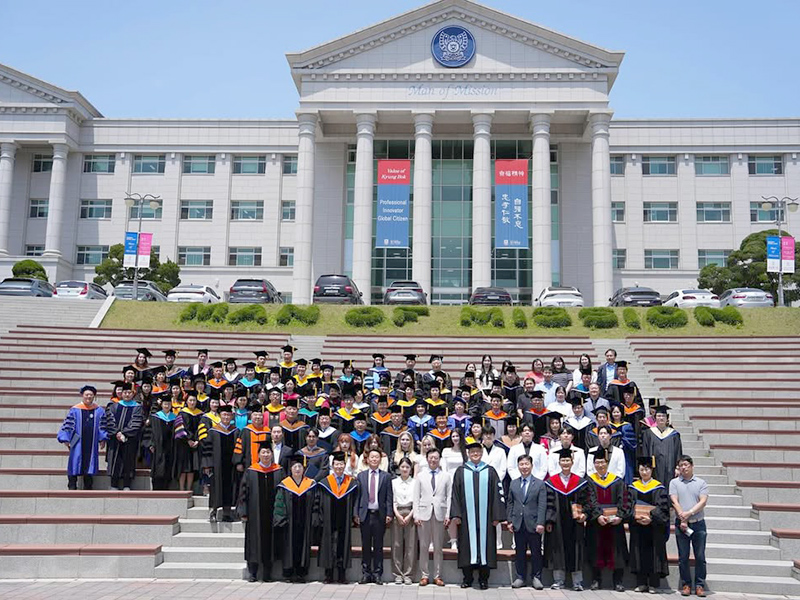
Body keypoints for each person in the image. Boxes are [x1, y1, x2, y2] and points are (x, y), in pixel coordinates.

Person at [449, 438, 505, 590]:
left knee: (485, 547)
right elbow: (455, 494)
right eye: (472, 452)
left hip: (487, 518)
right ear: (468, 454)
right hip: (466, 518)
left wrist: (496, 516)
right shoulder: (461, 471)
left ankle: (483, 579)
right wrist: (456, 515)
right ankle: (467, 578)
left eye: (478, 452)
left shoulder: (490, 471)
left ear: (481, 453)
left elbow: (497, 494)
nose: (475, 454)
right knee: (466, 546)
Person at [544, 448, 592, 591]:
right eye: (563, 460)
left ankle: (577, 582)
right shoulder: (551, 482)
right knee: (557, 549)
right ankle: (558, 581)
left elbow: (587, 502)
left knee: (576, 549)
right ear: (559, 463)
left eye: (567, 460)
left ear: (572, 462)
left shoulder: (580, 482)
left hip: (575, 523)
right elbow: (549, 503)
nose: (565, 463)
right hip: (557, 523)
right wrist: (549, 521)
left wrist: (584, 514)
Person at [585, 447, 631, 591]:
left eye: (602, 462)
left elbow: (623, 500)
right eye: (597, 463)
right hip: (596, 522)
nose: (600, 465)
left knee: (616, 551)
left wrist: (620, 516)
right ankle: (596, 580)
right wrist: (598, 515)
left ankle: (618, 581)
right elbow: (590, 500)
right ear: (594, 464)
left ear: (607, 463)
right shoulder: (590, 481)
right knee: (595, 550)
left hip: (614, 523)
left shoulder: (617, 481)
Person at [238, 442, 283, 582]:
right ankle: (253, 573)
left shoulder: (278, 471)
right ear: (258, 455)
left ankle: (267, 573)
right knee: (254, 542)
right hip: (254, 515)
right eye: (263, 452)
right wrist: (243, 512)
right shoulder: (251, 471)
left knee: (270, 542)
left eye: (268, 452)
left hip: (272, 514)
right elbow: (243, 493)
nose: (266, 455)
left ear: (272, 454)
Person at [314, 451, 360, 584]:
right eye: (336, 464)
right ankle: (328, 574)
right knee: (328, 544)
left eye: (341, 464)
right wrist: (320, 517)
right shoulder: (324, 483)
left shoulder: (351, 483)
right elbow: (318, 502)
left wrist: (354, 516)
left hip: (344, 520)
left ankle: (341, 574)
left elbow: (355, 501)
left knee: (343, 544)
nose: (339, 467)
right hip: (328, 519)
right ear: (332, 466)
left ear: (345, 466)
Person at [629, 456, 671, 593]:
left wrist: (651, 518)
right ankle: (641, 583)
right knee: (639, 553)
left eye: (647, 469)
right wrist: (636, 517)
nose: (644, 472)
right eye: (642, 469)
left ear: (651, 470)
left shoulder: (659, 488)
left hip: (654, 528)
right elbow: (628, 506)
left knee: (654, 554)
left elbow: (663, 508)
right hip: (638, 527)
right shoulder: (633, 487)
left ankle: (653, 584)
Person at [58, 385, 111, 491]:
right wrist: (66, 438)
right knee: (74, 461)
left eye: (91, 395)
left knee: (90, 462)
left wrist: (102, 439)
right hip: (77, 440)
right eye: (87, 395)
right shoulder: (75, 410)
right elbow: (68, 425)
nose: (89, 397)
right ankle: (72, 485)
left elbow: (102, 426)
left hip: (92, 441)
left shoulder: (99, 410)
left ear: (94, 396)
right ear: (82, 395)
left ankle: (88, 485)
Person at [273, 452, 316, 583]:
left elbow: (315, 503)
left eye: (300, 467)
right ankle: (288, 573)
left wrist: (314, 518)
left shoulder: (310, 484)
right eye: (295, 467)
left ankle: (301, 573)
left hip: (305, 523)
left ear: (304, 468)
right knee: (289, 546)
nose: (297, 469)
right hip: (289, 524)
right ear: (290, 469)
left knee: (303, 546)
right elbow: (279, 503)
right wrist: (281, 519)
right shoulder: (284, 485)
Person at [670, 455, 709, 598]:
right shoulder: (674, 482)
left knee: (700, 556)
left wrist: (689, 513)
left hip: (698, 524)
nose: (683, 467)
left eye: (686, 464)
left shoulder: (701, 483)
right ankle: (686, 584)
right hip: (681, 524)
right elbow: (674, 501)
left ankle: (699, 585)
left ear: (692, 466)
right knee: (683, 556)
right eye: (681, 465)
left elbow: (702, 502)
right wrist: (683, 517)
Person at [507, 454, 547, 589]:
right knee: (520, 552)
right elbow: (510, 503)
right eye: (521, 464)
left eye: (526, 464)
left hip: (534, 524)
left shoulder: (540, 484)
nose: (524, 467)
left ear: (531, 466)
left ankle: (536, 577)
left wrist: (541, 522)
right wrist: (510, 520)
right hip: (518, 523)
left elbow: (542, 505)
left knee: (536, 552)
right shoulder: (513, 483)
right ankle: (520, 577)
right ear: (518, 466)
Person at [413, 446, 451, 586]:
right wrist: (416, 515)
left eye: (436, 458)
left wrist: (448, 514)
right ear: (427, 459)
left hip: (440, 514)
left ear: (439, 459)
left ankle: (437, 575)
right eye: (431, 458)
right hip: (424, 514)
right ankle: (424, 575)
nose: (433, 460)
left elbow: (449, 497)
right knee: (423, 546)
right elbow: (416, 496)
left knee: (438, 547)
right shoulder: (420, 476)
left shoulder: (446, 476)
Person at [355, 448, 393, 584]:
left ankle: (377, 573)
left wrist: (389, 513)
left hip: (379, 515)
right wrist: (356, 513)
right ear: (367, 459)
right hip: (365, 515)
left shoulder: (386, 476)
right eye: (372, 457)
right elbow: (358, 497)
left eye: (377, 457)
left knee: (378, 546)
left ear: (380, 460)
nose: (374, 459)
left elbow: (389, 497)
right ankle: (366, 573)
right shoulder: (361, 476)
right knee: (365, 546)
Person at [201, 404, 239, 522]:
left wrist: (238, 462)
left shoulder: (235, 431)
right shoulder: (213, 431)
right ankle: (213, 512)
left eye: (228, 415)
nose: (226, 417)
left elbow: (239, 449)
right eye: (224, 415)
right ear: (220, 416)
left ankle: (227, 513)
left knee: (229, 488)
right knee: (215, 488)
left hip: (231, 466)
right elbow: (207, 449)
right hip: (216, 466)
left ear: (231, 416)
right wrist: (207, 465)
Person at [105, 382, 144, 491]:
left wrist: (124, 433)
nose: (127, 394)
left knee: (128, 461)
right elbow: (110, 420)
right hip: (115, 440)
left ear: (133, 394)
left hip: (130, 440)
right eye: (125, 392)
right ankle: (114, 484)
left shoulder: (137, 407)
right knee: (115, 461)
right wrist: (117, 433)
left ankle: (127, 484)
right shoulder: (114, 406)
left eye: (129, 392)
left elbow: (136, 422)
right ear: (121, 393)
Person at [642, 405, 683, 490]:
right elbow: (645, 451)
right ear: (655, 418)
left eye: (663, 416)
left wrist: (677, 467)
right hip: (654, 467)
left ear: (667, 418)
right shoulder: (648, 433)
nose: (661, 418)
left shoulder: (674, 434)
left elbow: (678, 452)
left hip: (670, 467)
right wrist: (646, 467)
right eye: (659, 416)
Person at [390, 456, 416, 585]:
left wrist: (410, 515)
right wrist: (397, 515)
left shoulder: (415, 482)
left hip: (411, 512)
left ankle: (409, 574)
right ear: (399, 468)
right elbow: (392, 500)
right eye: (402, 467)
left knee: (411, 546)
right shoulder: (394, 482)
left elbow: (417, 501)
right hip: (397, 513)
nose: (405, 469)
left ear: (411, 469)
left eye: (407, 467)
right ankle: (397, 574)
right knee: (397, 545)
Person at [145, 396, 177, 490]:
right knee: (158, 467)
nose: (167, 406)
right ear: (161, 405)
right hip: (158, 446)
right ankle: (156, 488)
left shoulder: (174, 418)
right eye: (165, 404)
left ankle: (166, 487)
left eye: (168, 404)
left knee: (168, 466)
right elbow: (150, 431)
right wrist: (151, 443)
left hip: (170, 447)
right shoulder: (155, 417)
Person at [173, 392, 203, 491]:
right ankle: (182, 489)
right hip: (183, 443)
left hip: (196, 444)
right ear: (186, 401)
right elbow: (180, 428)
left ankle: (189, 489)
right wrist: (188, 439)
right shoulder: (182, 413)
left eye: (194, 400)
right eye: (190, 400)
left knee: (192, 468)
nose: (192, 402)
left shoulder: (200, 414)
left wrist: (197, 440)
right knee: (183, 467)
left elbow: (201, 429)